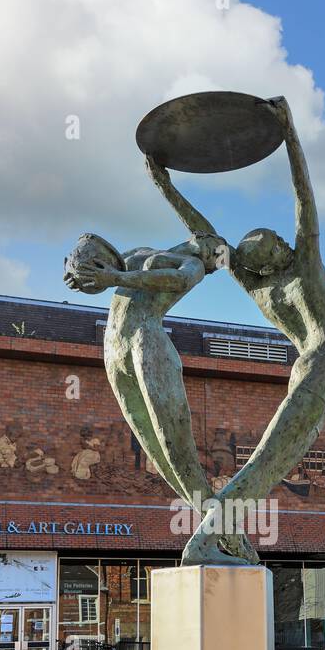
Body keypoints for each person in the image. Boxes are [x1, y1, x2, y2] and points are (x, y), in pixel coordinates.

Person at [146, 95, 325, 564]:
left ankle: (222, 539)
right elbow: (304, 201)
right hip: (319, 367)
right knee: (268, 461)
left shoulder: (258, 287)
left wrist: (167, 187)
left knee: (272, 458)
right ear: (273, 258)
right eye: (277, 242)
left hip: (311, 368)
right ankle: (205, 541)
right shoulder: (306, 273)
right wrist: (289, 134)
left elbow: (208, 237)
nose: (284, 240)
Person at [64, 231, 257, 564]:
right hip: (113, 349)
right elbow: (101, 267)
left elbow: (177, 280)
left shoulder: (193, 265)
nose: (214, 259)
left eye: (218, 259)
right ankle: (226, 534)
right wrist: (76, 273)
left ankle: (223, 538)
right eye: (218, 253)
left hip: (146, 341)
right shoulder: (143, 248)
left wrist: (115, 277)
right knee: (156, 452)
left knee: (175, 449)